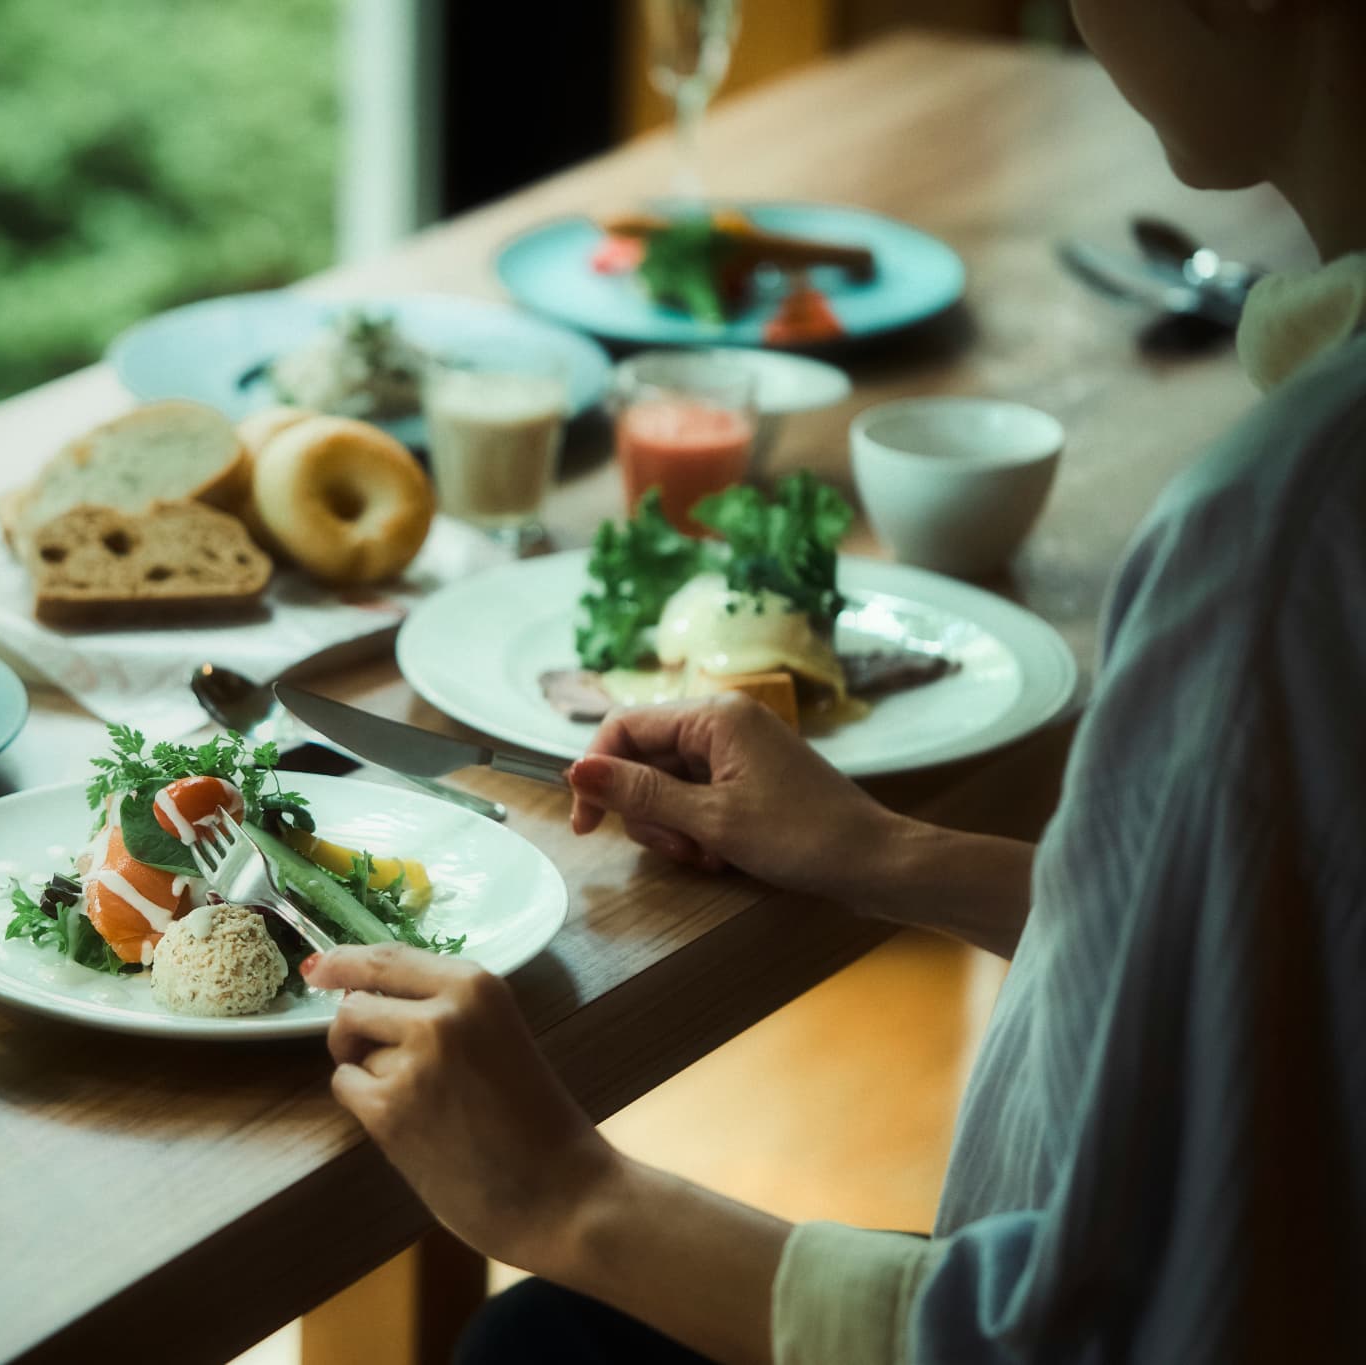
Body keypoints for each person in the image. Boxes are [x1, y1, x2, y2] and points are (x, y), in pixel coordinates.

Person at [301, 1, 1366, 1360]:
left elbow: (1107, 1333)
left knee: (534, 1349)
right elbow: (1285, 978)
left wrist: (569, 1194)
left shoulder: (1284, 534)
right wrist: (884, 851)